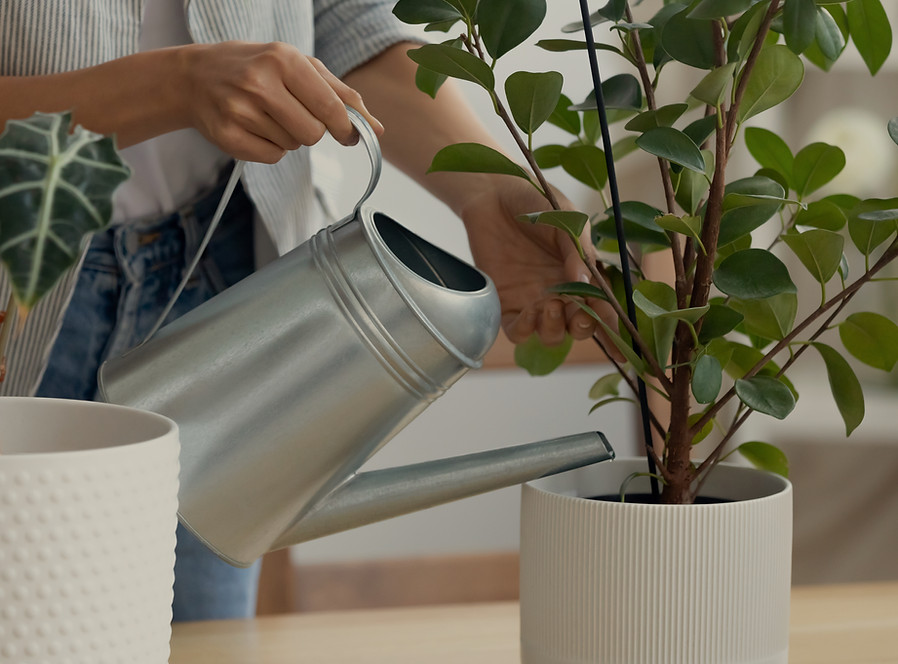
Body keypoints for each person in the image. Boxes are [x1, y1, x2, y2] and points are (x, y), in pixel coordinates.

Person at [0, 0, 603, 620]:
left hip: (240, 280)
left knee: (205, 640)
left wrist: (484, 186)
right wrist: (174, 84)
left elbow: (346, 16)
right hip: (20, 289)